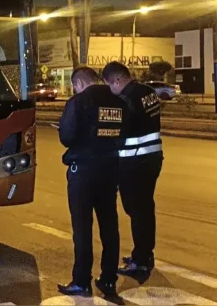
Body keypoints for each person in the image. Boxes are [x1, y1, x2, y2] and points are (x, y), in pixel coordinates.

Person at [56, 67, 126, 298]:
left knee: (82, 229)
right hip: (110, 169)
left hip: (83, 171)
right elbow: (123, 133)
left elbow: (67, 136)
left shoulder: (78, 102)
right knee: (109, 226)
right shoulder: (118, 101)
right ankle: (108, 280)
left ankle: (81, 281)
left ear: (78, 84)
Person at [101, 61, 163, 276]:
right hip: (152, 158)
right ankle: (144, 253)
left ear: (118, 80)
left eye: (110, 84)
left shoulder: (126, 99)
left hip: (134, 162)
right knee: (145, 209)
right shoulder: (148, 91)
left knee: (137, 211)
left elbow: (119, 130)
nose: (110, 89)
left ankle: (141, 260)